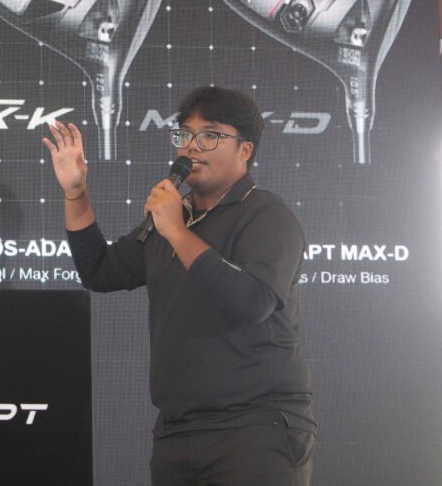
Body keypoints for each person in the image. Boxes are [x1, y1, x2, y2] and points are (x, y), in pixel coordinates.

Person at [43, 86, 315, 486]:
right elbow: (98, 271)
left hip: (255, 427)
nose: (192, 146)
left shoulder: (266, 215)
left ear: (245, 150)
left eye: (210, 135)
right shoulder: (174, 218)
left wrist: (174, 230)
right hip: (177, 431)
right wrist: (76, 191)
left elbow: (253, 301)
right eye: (185, 134)